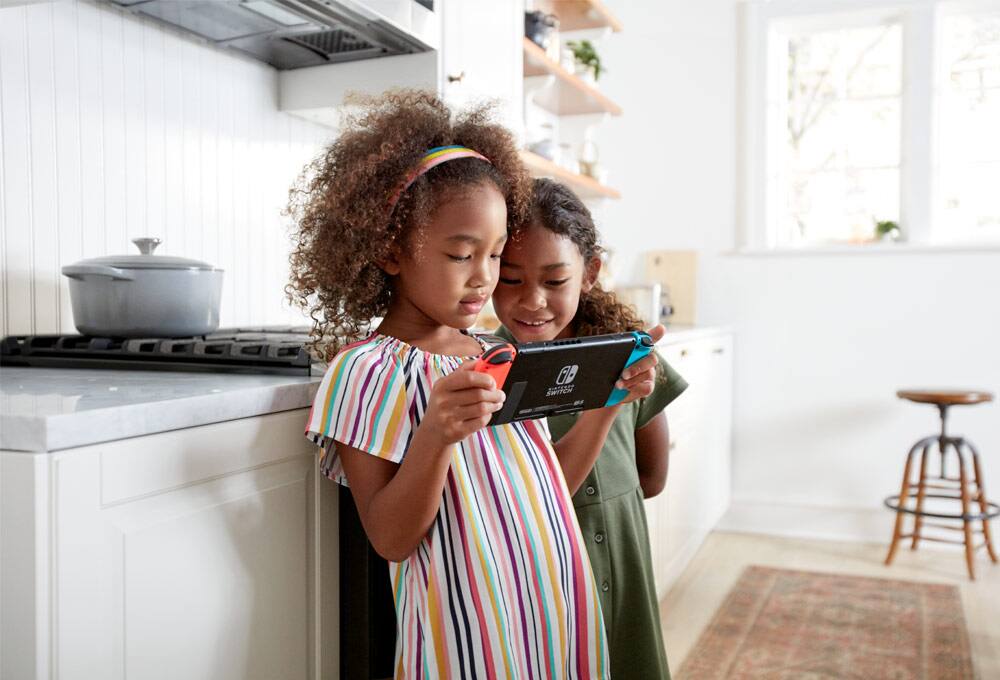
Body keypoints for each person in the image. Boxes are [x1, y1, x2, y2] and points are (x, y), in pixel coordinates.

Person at [287, 90, 660, 678]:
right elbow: (389, 537)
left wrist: (607, 405)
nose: (485, 278)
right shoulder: (366, 371)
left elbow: (550, 482)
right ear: (389, 251)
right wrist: (435, 436)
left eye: (494, 255)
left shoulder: (499, 353)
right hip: (470, 633)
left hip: (555, 603)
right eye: (463, 254)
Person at [491, 177, 689, 680]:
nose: (532, 301)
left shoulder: (631, 356)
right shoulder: (485, 371)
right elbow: (524, 502)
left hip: (624, 571)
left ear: (590, 272)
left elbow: (653, 477)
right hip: (544, 580)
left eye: (555, 281)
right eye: (509, 279)